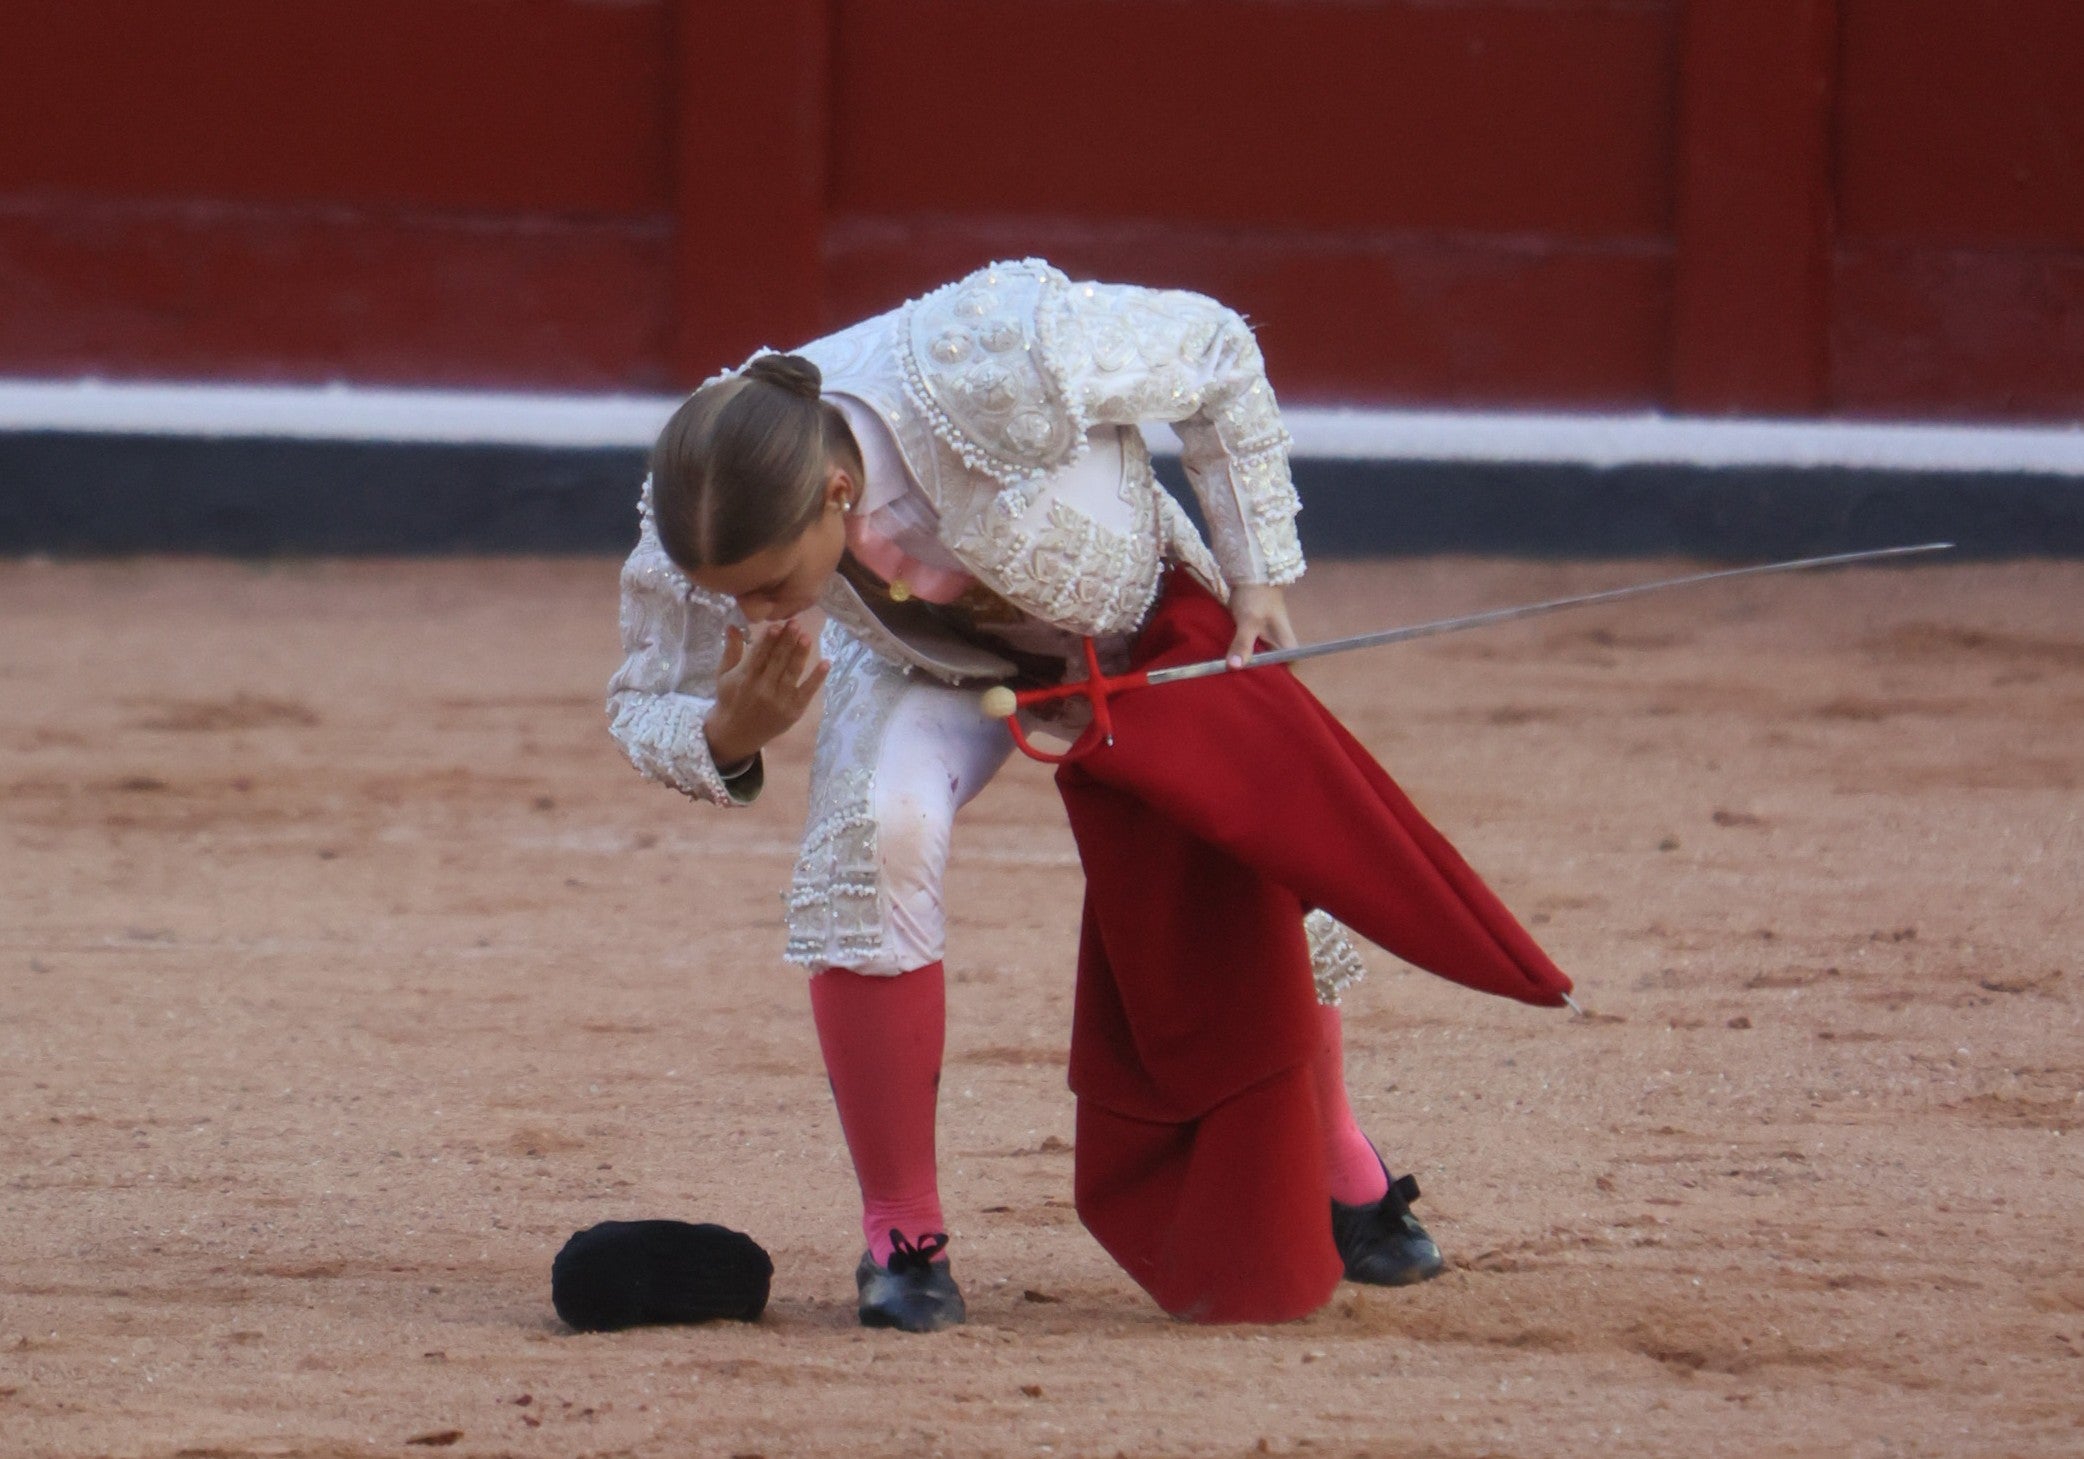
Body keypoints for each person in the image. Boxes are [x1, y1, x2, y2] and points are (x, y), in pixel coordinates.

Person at [607, 258, 1570, 1331]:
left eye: (766, 586)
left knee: (1262, 845)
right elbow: (644, 702)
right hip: (925, 663)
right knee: (873, 835)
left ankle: (1337, 1161)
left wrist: (1256, 570)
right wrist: (730, 735)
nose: (749, 616)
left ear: (837, 492)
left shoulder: (994, 349)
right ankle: (902, 1233)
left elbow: (1215, 349)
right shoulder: (703, 493)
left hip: (1131, 616)